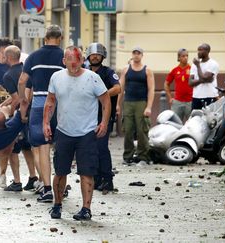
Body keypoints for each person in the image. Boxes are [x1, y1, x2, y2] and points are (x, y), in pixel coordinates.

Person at [43, 46, 110, 220]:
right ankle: (57, 206)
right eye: (69, 60)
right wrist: (45, 123)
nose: (73, 64)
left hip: (87, 132)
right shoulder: (56, 77)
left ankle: (86, 209)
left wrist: (104, 123)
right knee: (60, 171)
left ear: (82, 61)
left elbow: (106, 101)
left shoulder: (93, 78)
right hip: (64, 131)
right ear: (64, 61)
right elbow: (50, 101)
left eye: (77, 60)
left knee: (86, 171)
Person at [18, 25, 65, 202]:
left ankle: (47, 189)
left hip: (39, 105)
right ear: (59, 38)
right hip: (61, 105)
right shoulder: (65, 57)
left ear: (44, 38)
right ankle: (60, 184)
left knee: (43, 149)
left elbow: (22, 81)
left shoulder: (33, 56)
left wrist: (23, 99)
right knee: (62, 146)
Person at [0, 45, 37, 191]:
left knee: (12, 150)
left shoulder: (8, 76)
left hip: (20, 116)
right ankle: (33, 177)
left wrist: (10, 114)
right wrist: (5, 101)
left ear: (8, 57)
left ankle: (17, 181)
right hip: (32, 113)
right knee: (28, 147)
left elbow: (17, 99)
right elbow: (21, 96)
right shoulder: (27, 71)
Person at [86, 43, 121, 192]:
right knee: (91, 149)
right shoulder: (84, 72)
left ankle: (108, 179)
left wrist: (103, 94)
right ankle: (97, 178)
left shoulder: (108, 72)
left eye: (98, 54)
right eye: (92, 54)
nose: (95, 57)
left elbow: (118, 88)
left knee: (101, 148)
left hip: (104, 116)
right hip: (87, 117)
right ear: (88, 56)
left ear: (102, 57)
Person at [117, 47, 155, 165]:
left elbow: (151, 89)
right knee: (128, 130)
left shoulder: (147, 70)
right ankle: (128, 156)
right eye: (134, 53)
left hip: (141, 103)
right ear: (132, 54)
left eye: (139, 53)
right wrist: (117, 104)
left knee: (142, 130)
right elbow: (120, 88)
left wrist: (148, 107)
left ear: (142, 55)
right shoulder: (126, 69)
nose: (136, 55)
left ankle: (142, 157)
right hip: (128, 103)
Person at [164, 48, 193, 121]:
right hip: (177, 102)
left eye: (187, 56)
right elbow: (166, 83)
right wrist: (170, 97)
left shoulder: (192, 69)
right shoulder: (175, 70)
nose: (186, 57)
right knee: (175, 123)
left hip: (190, 101)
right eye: (183, 56)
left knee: (191, 123)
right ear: (179, 57)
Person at [189, 43, 219, 110]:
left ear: (207, 51)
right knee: (195, 118)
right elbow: (190, 83)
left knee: (208, 119)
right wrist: (204, 80)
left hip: (209, 96)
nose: (198, 52)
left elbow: (204, 78)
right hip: (196, 97)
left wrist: (198, 66)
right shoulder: (194, 65)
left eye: (201, 50)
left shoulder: (213, 63)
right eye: (198, 50)